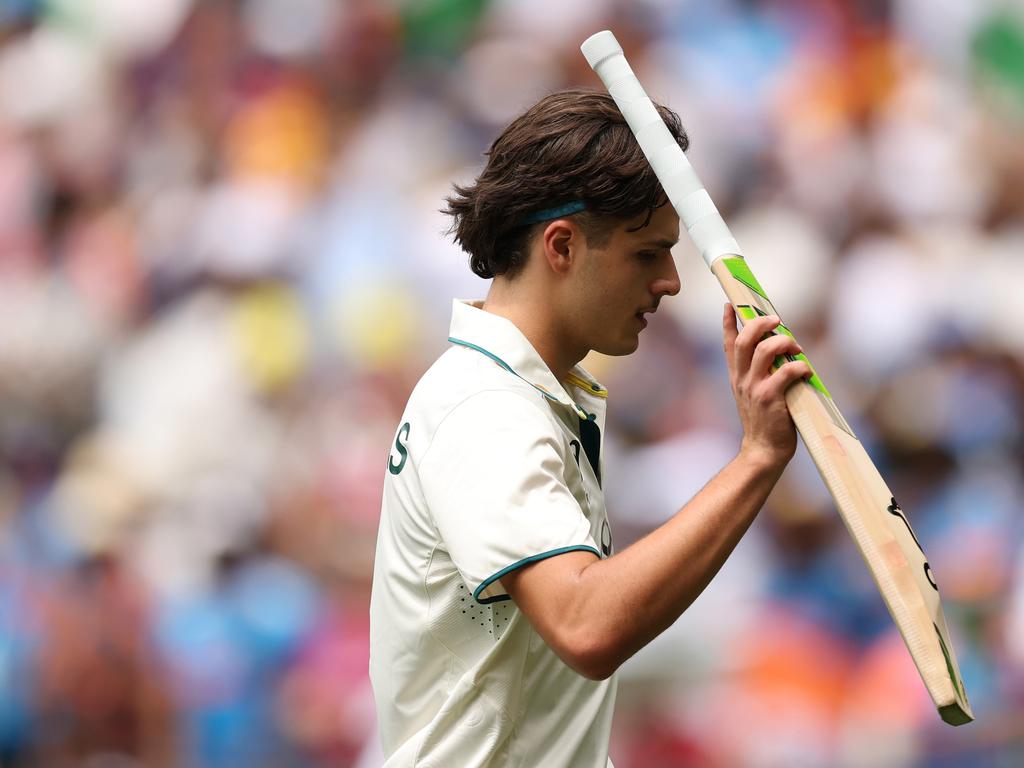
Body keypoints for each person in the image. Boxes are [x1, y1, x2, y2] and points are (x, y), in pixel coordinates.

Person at [368, 88, 811, 767]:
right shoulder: (487, 409)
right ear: (562, 245)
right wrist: (756, 459)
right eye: (646, 254)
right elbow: (586, 624)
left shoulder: (526, 396)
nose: (670, 282)